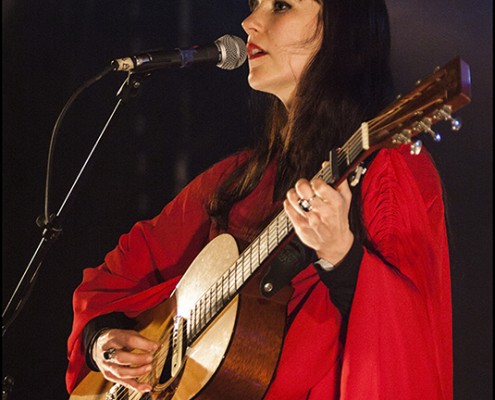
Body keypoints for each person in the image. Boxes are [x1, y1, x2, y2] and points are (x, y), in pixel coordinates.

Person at [66, 0, 453, 398]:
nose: (249, 22)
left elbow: (410, 345)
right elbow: (120, 273)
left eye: (281, 6)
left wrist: (342, 257)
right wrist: (100, 340)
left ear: (341, 30)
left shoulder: (389, 172)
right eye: (256, 6)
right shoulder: (238, 179)